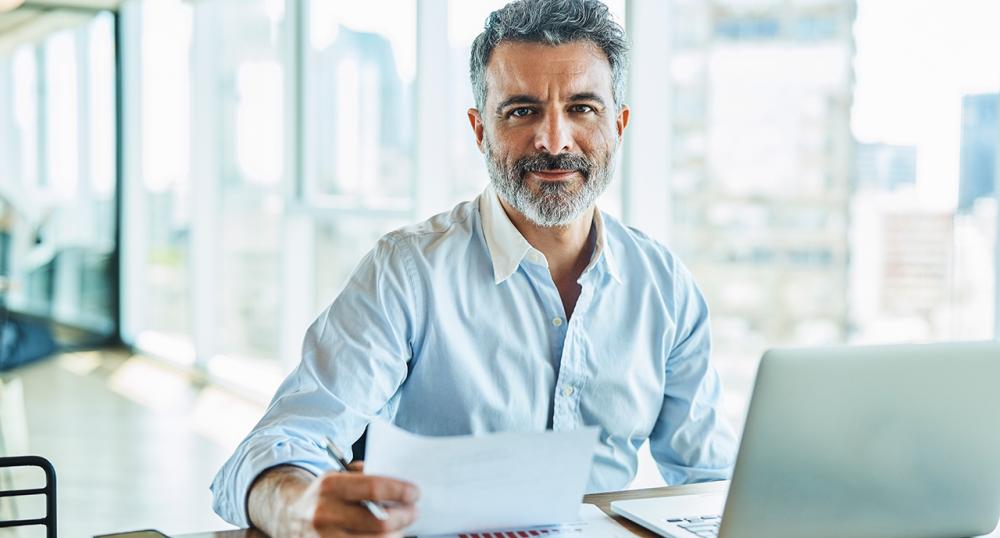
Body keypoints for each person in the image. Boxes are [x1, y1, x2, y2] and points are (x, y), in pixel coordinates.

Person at [211, 0, 737, 535]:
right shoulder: (407, 273)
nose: (553, 141)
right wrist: (294, 506)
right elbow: (278, 445)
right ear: (480, 130)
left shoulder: (665, 287)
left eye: (582, 109)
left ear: (619, 125)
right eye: (521, 110)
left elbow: (711, 482)